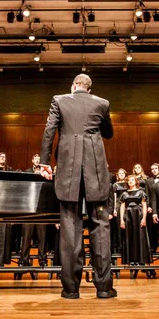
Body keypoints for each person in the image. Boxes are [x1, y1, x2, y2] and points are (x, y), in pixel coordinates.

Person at [39, 73, 115, 299]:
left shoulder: (59, 100)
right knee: (100, 227)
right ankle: (104, 288)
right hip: (96, 172)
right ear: (90, 89)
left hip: (68, 171)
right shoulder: (102, 103)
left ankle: (71, 289)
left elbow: (49, 132)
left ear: (73, 86)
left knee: (70, 229)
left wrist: (44, 162)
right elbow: (109, 133)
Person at [119, 175, 152, 278]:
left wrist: (144, 218)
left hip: (138, 215)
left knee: (140, 237)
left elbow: (144, 206)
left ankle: (140, 260)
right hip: (128, 216)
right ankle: (131, 260)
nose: (130, 182)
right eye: (129, 180)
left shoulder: (141, 192)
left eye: (132, 180)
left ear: (136, 181)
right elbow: (122, 206)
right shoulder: (124, 193)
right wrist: (121, 220)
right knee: (130, 237)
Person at [20, 154, 48, 269]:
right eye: (35, 158)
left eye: (39, 159)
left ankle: (42, 260)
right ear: (32, 160)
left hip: (41, 211)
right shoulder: (27, 172)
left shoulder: (45, 173)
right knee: (26, 237)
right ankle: (24, 260)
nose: (37, 160)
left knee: (42, 238)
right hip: (29, 211)